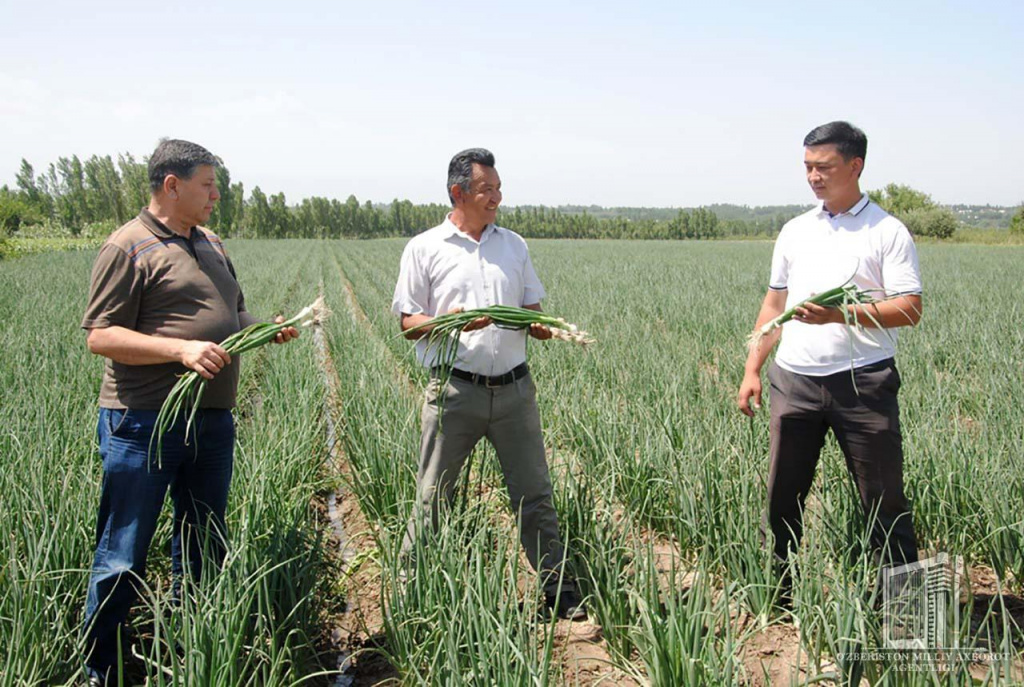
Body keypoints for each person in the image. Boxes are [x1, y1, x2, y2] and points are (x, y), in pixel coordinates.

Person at [80, 139, 298, 683]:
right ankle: (102, 669)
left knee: (202, 544)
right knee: (123, 553)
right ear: (171, 185)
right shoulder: (127, 246)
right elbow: (100, 336)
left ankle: (188, 654)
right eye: (207, 184)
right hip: (144, 422)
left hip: (211, 420)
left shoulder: (212, 243)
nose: (216, 195)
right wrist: (179, 350)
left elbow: (235, 312)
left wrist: (265, 331)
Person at [391, 147, 585, 620]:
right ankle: (410, 592)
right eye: (486, 189)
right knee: (434, 495)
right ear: (458, 192)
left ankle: (559, 589)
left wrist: (542, 327)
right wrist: (449, 322)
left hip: (515, 392)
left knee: (534, 494)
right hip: (456, 392)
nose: (497, 196)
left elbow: (532, 312)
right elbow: (408, 324)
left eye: (498, 188)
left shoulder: (513, 245)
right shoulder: (425, 248)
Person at [737, 121, 922, 573]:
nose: (813, 176)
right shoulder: (796, 230)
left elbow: (911, 308)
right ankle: (776, 598)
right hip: (794, 380)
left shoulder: (887, 231)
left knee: (882, 499)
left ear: (855, 165)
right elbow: (774, 304)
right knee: (782, 497)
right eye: (807, 167)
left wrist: (841, 314)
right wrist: (753, 368)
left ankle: (903, 612)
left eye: (824, 167)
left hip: (862, 384)